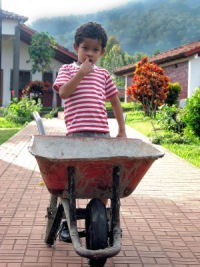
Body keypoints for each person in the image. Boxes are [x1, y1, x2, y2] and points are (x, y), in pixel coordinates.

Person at [53, 21, 126, 242]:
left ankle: (101, 215)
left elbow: (115, 103)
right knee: (72, 179)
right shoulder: (66, 70)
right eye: (86, 48)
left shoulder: (103, 75)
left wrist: (121, 130)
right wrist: (80, 74)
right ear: (76, 47)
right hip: (77, 135)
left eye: (95, 50)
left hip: (101, 135)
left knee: (103, 179)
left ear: (102, 52)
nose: (90, 54)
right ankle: (68, 220)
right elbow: (64, 93)